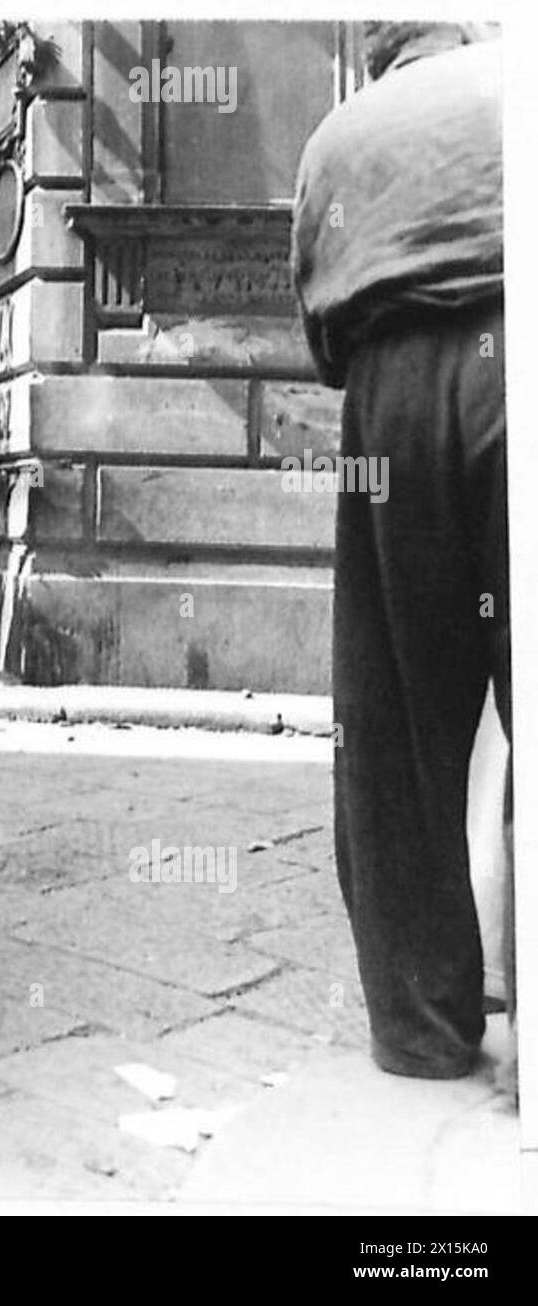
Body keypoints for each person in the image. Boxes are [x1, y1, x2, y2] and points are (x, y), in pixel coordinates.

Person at [292, 23, 505, 1079]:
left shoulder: (337, 132)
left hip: (392, 389)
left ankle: (424, 1028)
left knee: (389, 722)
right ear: (458, 33)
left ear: (380, 56)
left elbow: (319, 331)